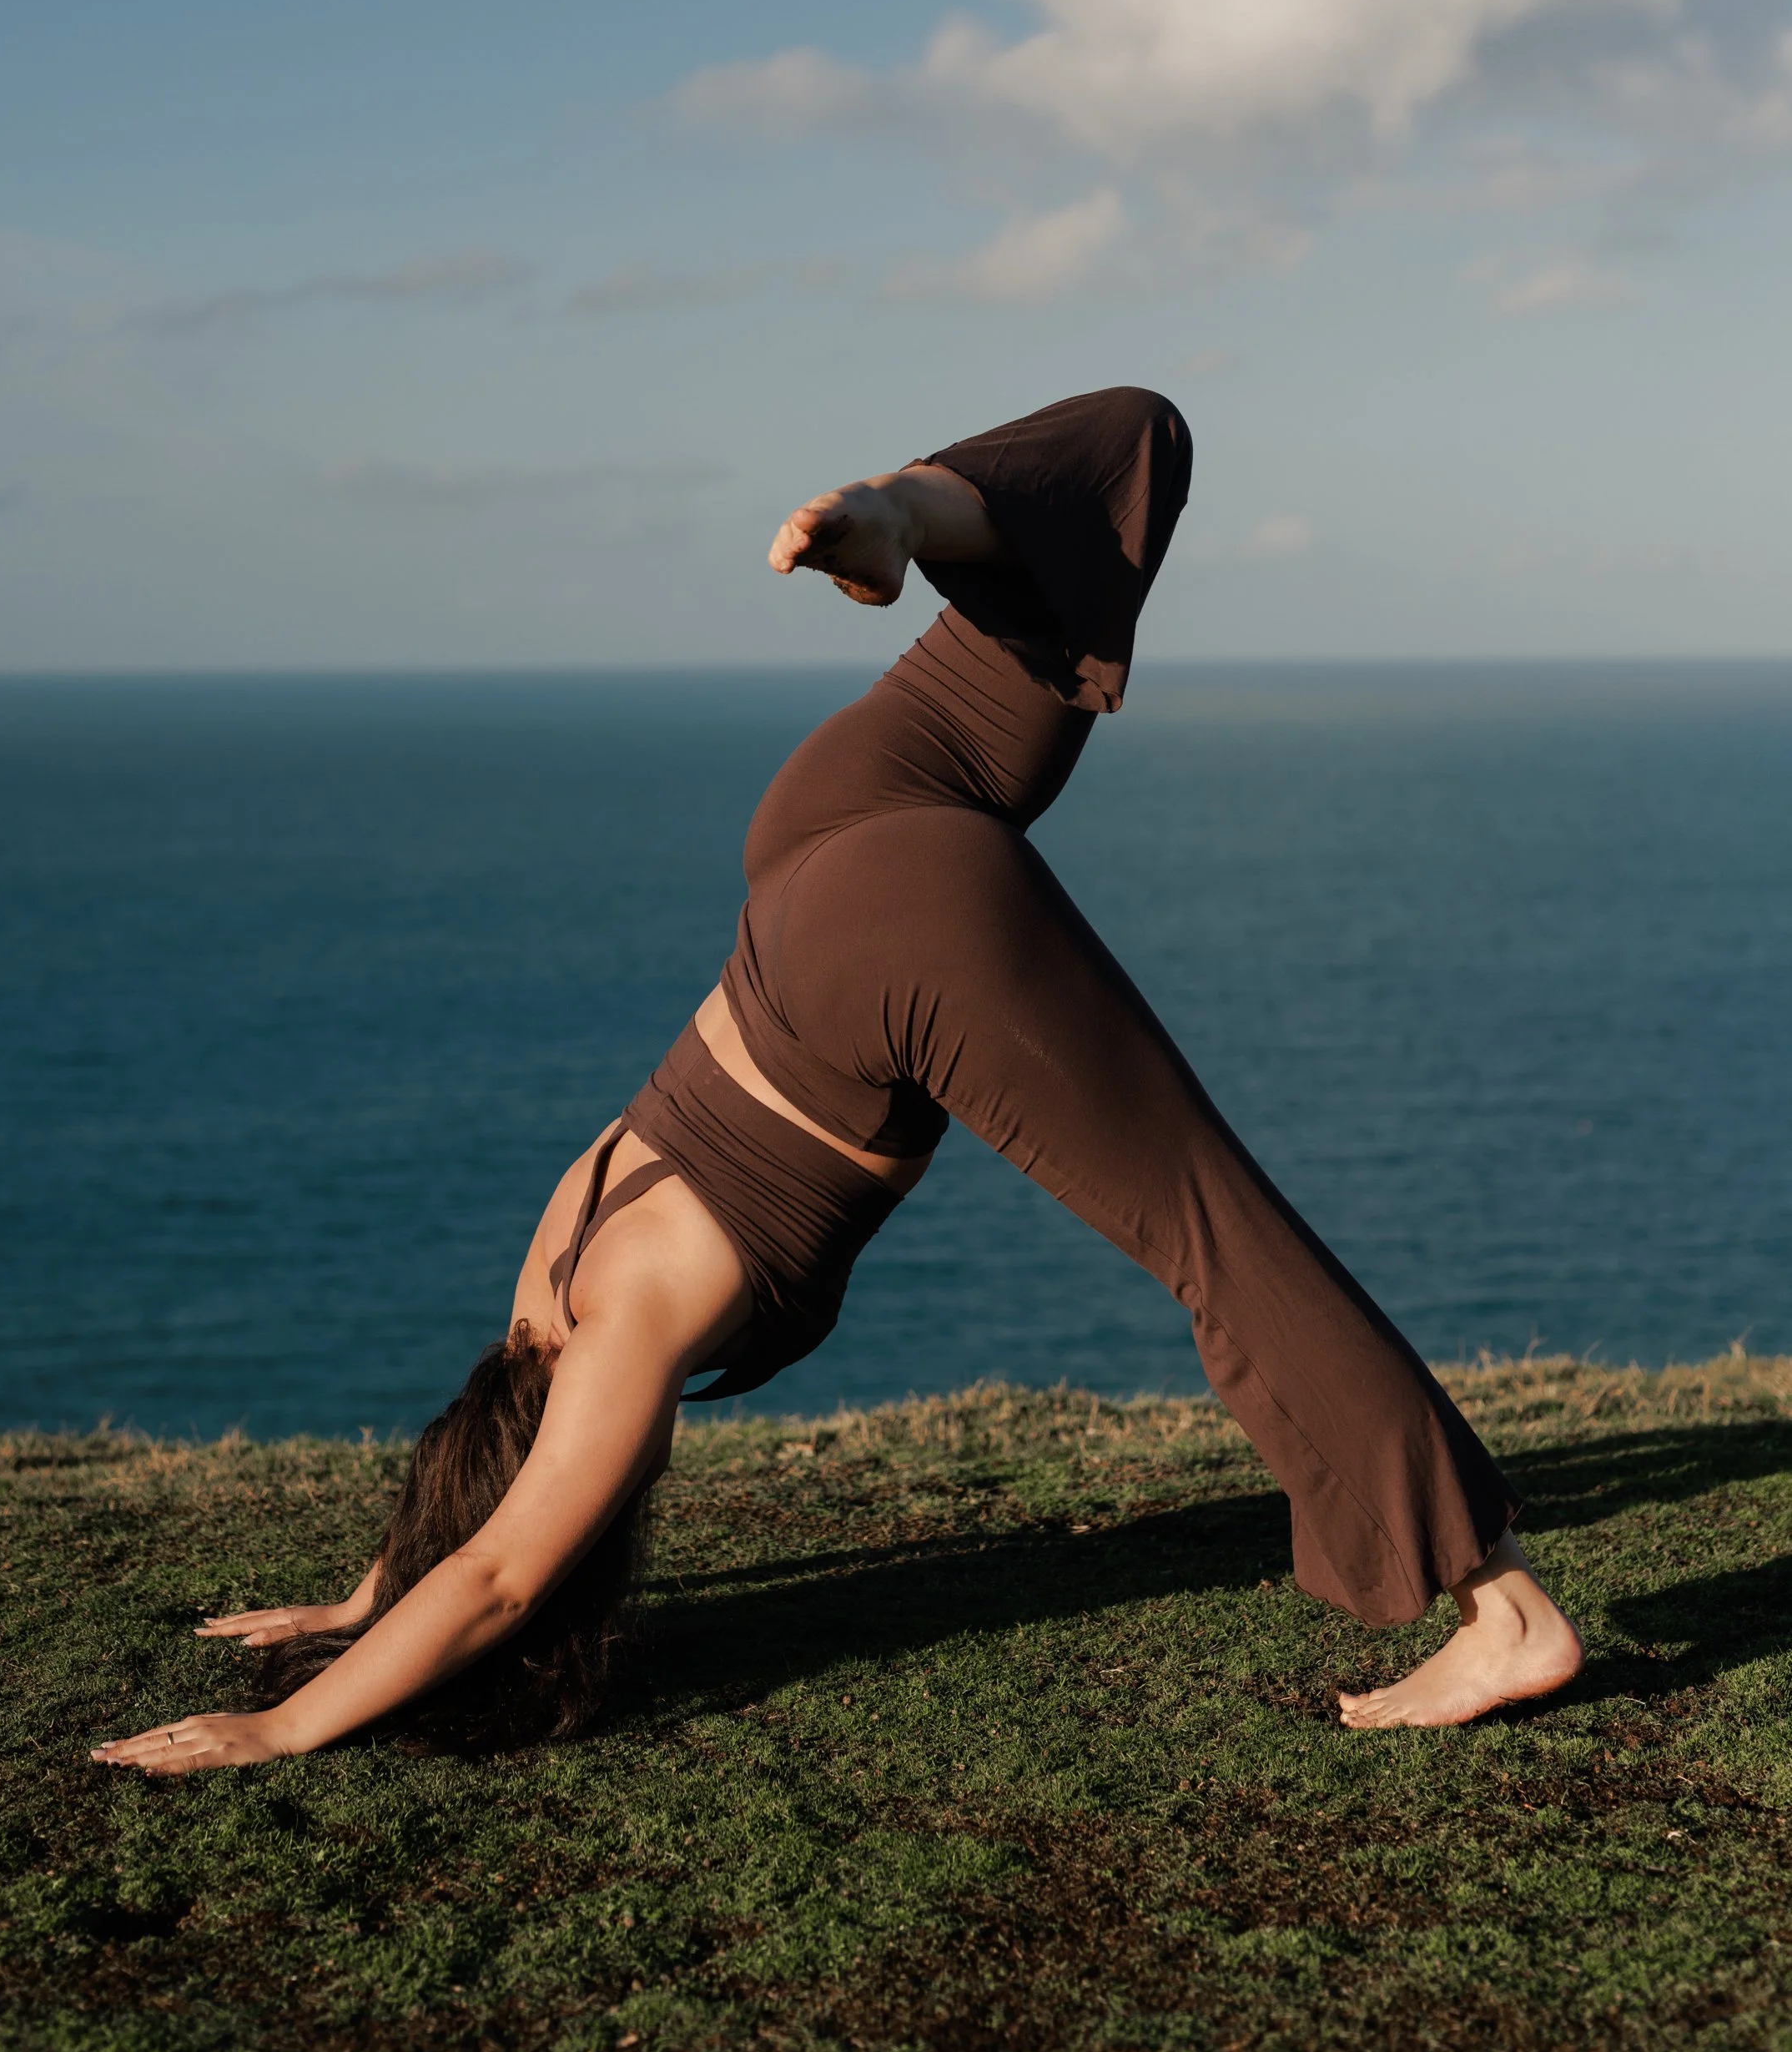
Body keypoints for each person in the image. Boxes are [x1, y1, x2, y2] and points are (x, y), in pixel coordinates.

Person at [93, 389, 1581, 1778]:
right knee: (1131, 443)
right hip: (812, 845)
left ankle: (1505, 1616)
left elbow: (491, 1575)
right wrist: (369, 1589)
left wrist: (289, 1725)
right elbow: (465, 1529)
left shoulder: (619, 1330)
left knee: (1212, 1236)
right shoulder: (549, 1269)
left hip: (898, 937)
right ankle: (899, 517)